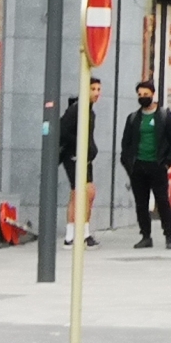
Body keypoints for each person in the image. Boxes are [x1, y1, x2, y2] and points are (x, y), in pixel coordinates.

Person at [119, 79, 171, 249]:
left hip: (158, 165)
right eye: (140, 95)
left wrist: (167, 163)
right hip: (138, 166)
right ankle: (145, 235)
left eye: (146, 94)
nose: (142, 97)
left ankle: (169, 235)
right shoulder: (133, 118)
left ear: (153, 94)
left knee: (162, 201)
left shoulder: (164, 116)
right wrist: (129, 164)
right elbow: (126, 143)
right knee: (141, 202)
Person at [57, 75, 102, 246]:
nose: (96, 93)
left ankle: (80, 232)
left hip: (85, 157)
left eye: (98, 89)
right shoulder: (76, 109)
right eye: (93, 89)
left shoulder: (89, 111)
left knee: (85, 193)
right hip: (74, 156)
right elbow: (62, 130)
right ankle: (74, 234)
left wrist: (90, 148)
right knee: (82, 192)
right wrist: (79, 144)